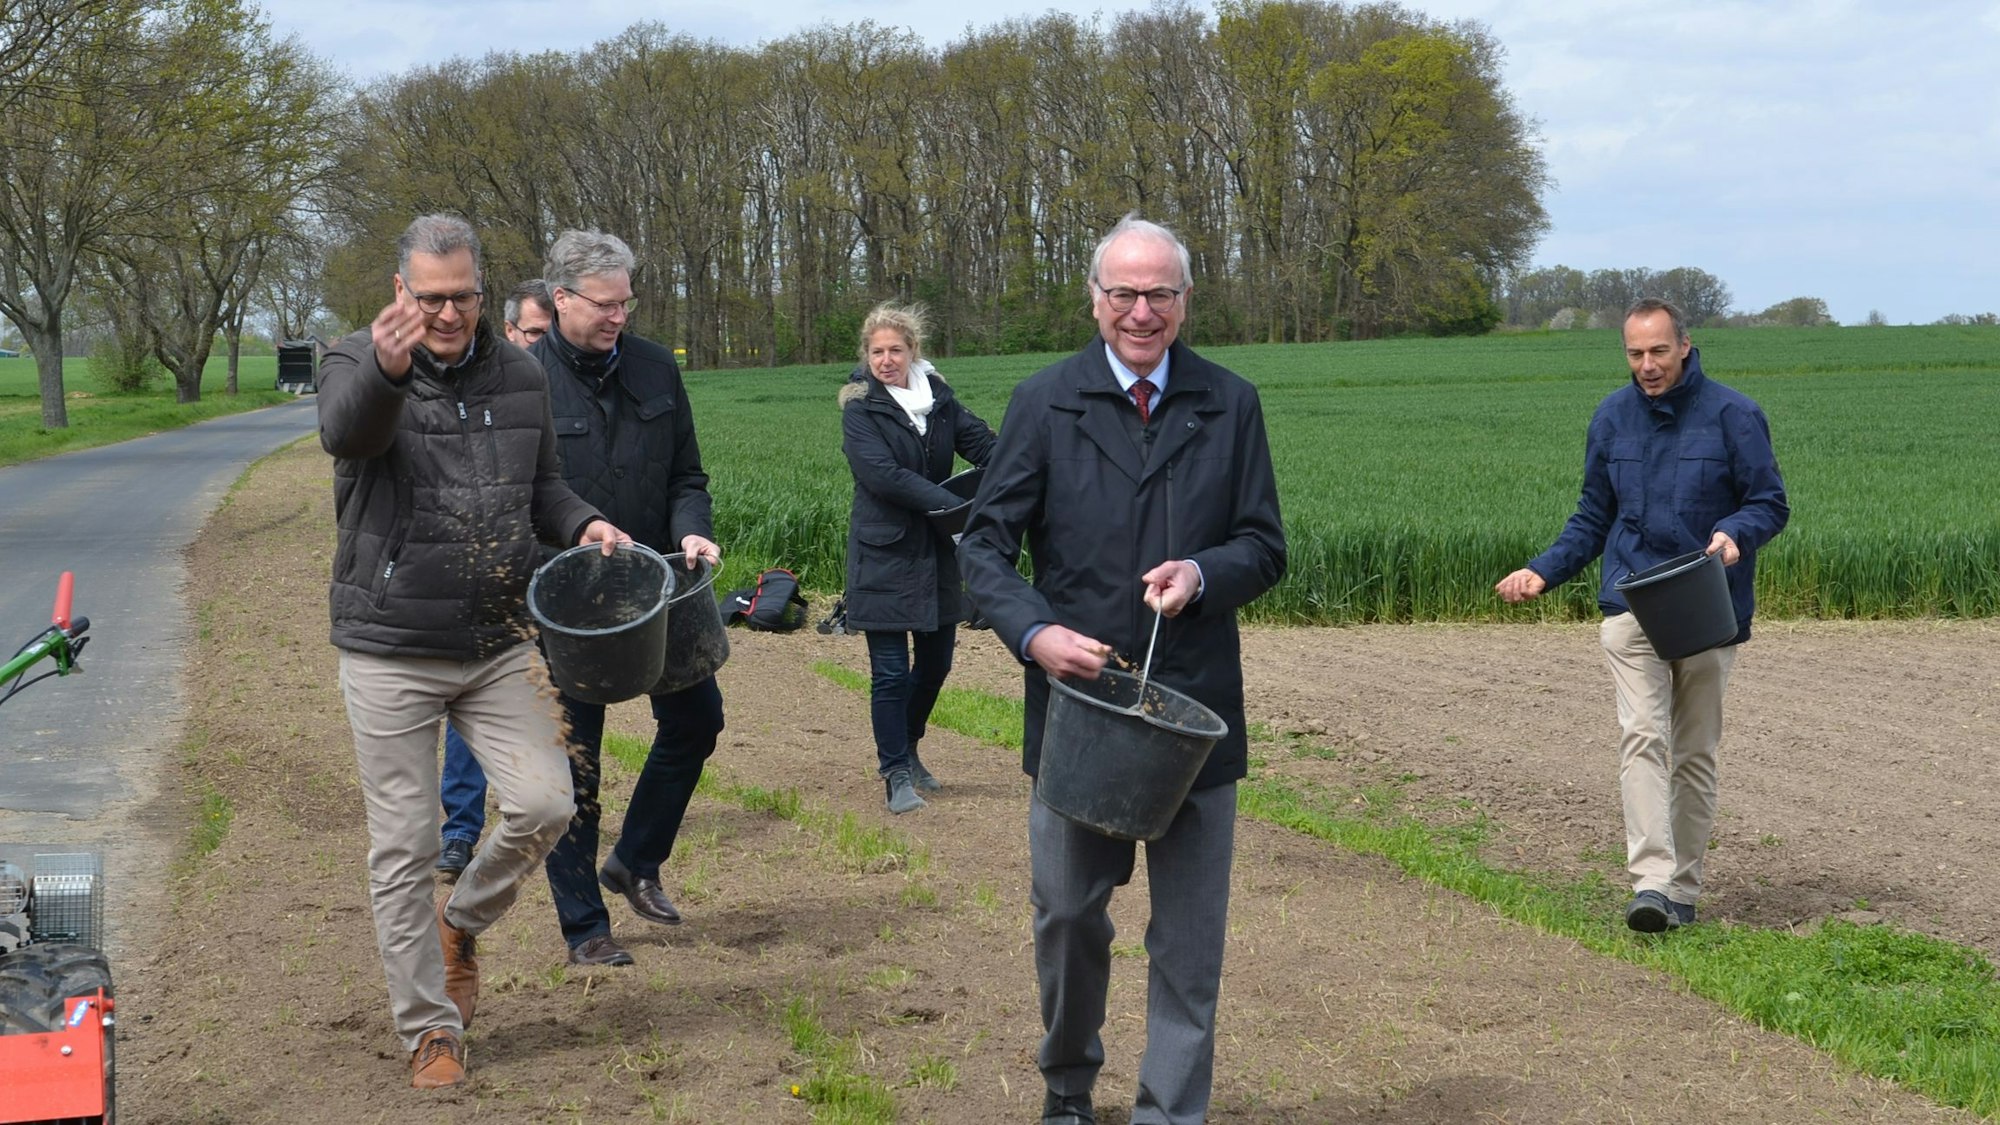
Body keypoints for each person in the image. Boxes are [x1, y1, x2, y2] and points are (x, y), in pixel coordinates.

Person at [958, 215, 1287, 1125]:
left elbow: (1264, 543)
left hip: (1193, 714)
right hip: (1079, 712)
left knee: (1190, 945)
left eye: (1160, 294)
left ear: (1185, 300)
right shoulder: (1043, 401)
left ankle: (1168, 1112)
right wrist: (1035, 634)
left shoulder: (1231, 401)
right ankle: (1068, 1089)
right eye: (1124, 294)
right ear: (1095, 299)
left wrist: (1203, 573)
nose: (1142, 312)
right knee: (1067, 916)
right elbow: (984, 546)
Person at [318, 214, 629, 1088]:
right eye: (429, 298)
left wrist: (585, 523)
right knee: (404, 844)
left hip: (495, 639)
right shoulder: (356, 361)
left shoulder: (522, 373)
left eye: (460, 297)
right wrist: (388, 366)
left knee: (545, 803)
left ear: (483, 291)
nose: (446, 314)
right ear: (400, 293)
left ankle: (461, 920)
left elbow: (546, 488)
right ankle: (431, 1029)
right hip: (391, 646)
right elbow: (349, 434)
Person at [1495, 297, 1788, 934]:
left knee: (1694, 753)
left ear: (1685, 345)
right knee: (1642, 737)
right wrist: (1543, 570)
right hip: (1632, 604)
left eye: (1658, 351)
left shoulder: (1735, 415)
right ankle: (1652, 883)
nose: (1647, 365)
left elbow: (1770, 502)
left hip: (1711, 607)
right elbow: (1593, 517)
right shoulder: (1611, 418)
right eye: (1635, 353)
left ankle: (1684, 891)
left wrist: (1738, 532)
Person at [528, 229, 725, 968]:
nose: (619, 317)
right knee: (575, 768)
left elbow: (686, 476)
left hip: (657, 586)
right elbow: (522, 498)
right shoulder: (524, 381)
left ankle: (636, 858)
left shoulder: (653, 369)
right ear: (561, 299)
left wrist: (693, 533)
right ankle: (585, 927)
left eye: (626, 302)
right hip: (572, 602)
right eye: (605, 304)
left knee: (698, 720)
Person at [839, 303, 997, 814]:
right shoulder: (861, 408)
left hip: (936, 555)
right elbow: (882, 474)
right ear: (866, 356)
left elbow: (987, 448)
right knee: (889, 671)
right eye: (877, 351)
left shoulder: (941, 401)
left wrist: (1020, 473)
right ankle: (895, 772)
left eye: (896, 350)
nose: (886, 360)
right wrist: (958, 507)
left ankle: (909, 747)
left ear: (913, 352)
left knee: (935, 665)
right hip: (883, 553)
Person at [435, 278, 557, 881]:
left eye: (549, 334)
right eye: (534, 333)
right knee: (474, 704)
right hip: (492, 580)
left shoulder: (548, 385)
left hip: (557, 566)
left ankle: (551, 811)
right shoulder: (483, 388)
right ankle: (459, 829)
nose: (543, 344)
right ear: (510, 331)